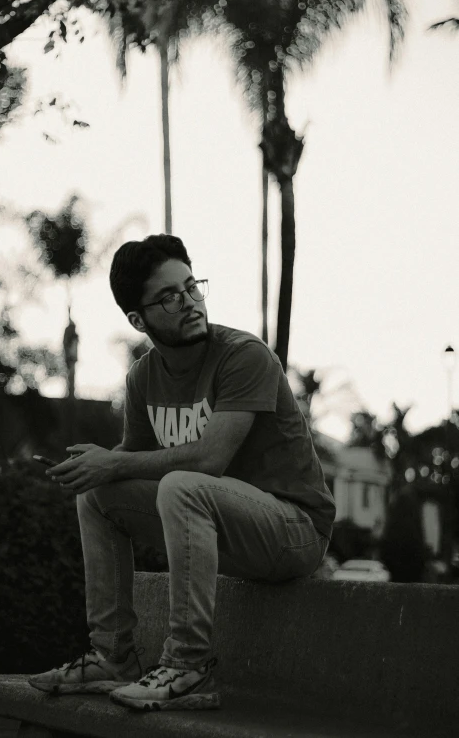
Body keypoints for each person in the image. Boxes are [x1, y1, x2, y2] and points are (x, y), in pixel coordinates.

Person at [28, 234, 335, 711]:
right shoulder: (141, 379)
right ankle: (113, 656)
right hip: (222, 529)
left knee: (182, 485)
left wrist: (117, 461)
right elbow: (131, 468)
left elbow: (209, 459)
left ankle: (188, 666)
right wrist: (95, 467)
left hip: (294, 532)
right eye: (169, 297)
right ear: (138, 319)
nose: (189, 303)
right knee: (96, 496)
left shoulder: (244, 356)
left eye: (192, 288)